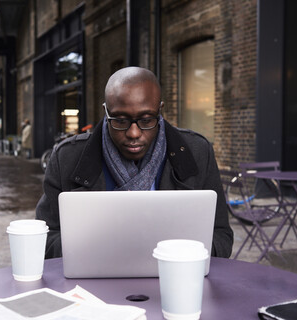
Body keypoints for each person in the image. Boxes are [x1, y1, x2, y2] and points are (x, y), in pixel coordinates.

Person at [36, 66, 233, 259]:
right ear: (106, 111)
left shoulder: (197, 152)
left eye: (147, 120)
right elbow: (44, 239)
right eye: (120, 121)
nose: (134, 133)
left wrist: (179, 254)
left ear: (160, 109)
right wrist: (95, 249)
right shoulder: (67, 158)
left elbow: (221, 238)